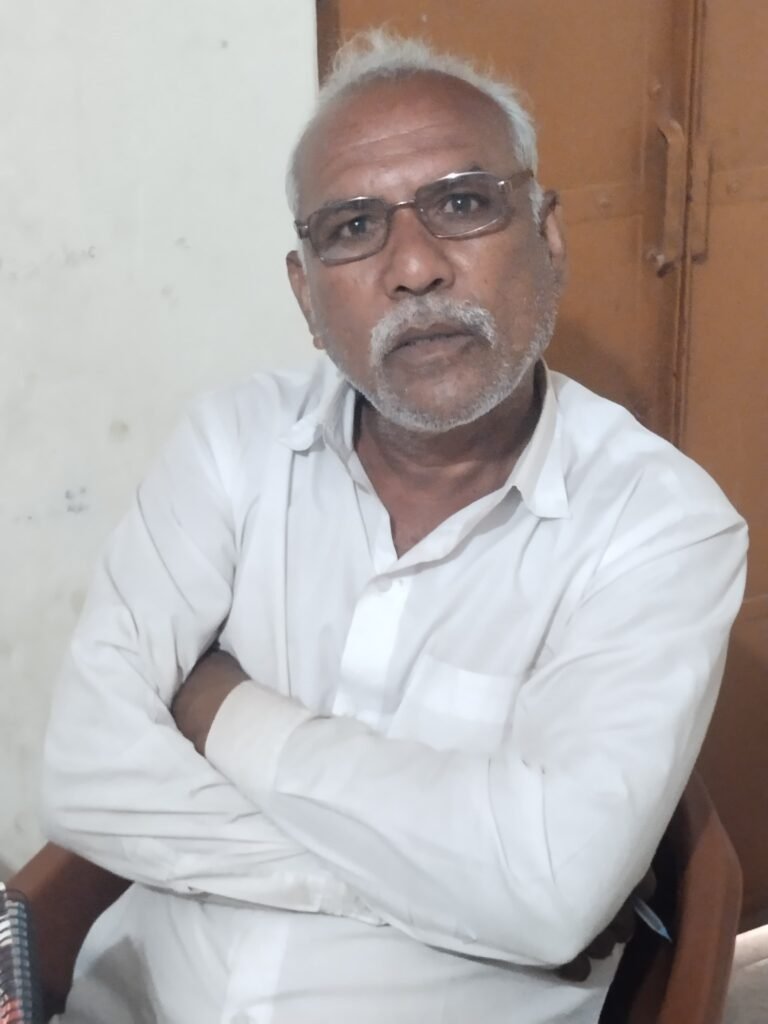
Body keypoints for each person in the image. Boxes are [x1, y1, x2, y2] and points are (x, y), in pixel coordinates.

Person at [42, 30, 747, 1024]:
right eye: (354, 226)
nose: (415, 267)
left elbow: (551, 890)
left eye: (462, 204)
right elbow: (85, 773)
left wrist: (225, 711)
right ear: (306, 293)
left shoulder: (660, 524)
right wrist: (428, 892)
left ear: (547, 239)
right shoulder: (230, 445)